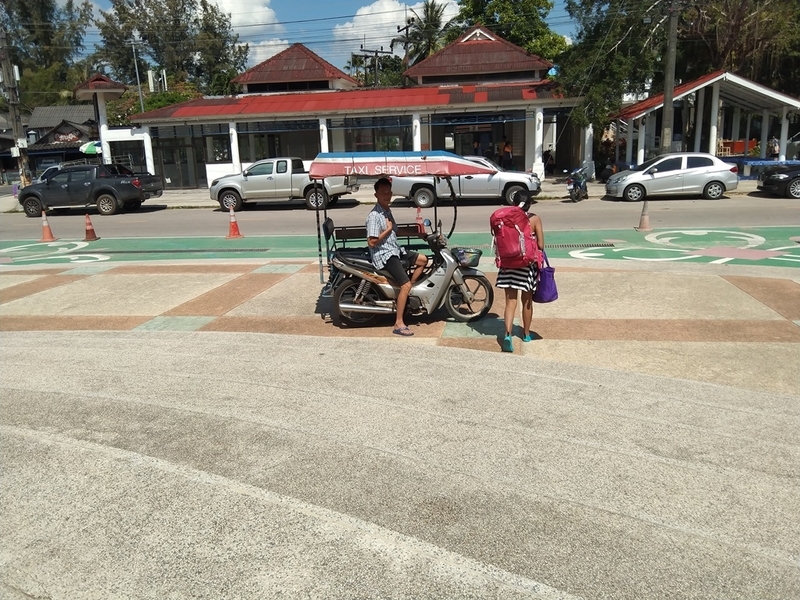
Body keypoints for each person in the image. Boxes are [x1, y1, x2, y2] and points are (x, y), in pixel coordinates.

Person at [366, 177, 428, 337]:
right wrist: (387, 230)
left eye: (388, 192)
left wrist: (417, 234)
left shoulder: (387, 210)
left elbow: (396, 230)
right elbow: (371, 242)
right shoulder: (374, 215)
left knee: (423, 260)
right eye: (383, 193)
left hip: (395, 250)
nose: (386, 195)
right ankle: (398, 323)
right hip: (384, 255)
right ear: (376, 195)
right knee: (405, 285)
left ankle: (406, 294)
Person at [496, 194, 545, 353]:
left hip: (507, 265)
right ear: (530, 204)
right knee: (527, 301)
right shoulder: (534, 219)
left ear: (513, 202)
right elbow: (541, 245)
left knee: (510, 302)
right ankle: (526, 334)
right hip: (526, 265)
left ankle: (507, 334)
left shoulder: (505, 217)